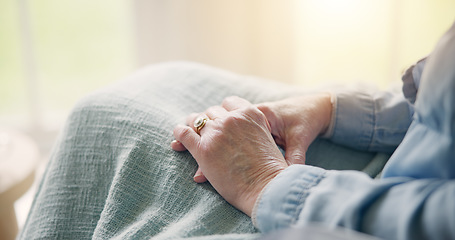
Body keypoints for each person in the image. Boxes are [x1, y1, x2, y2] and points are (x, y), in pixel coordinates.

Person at [19, 22, 454, 239]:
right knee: (107, 108)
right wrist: (334, 108)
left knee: (118, 127)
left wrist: (265, 182)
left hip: (383, 215)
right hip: (406, 145)